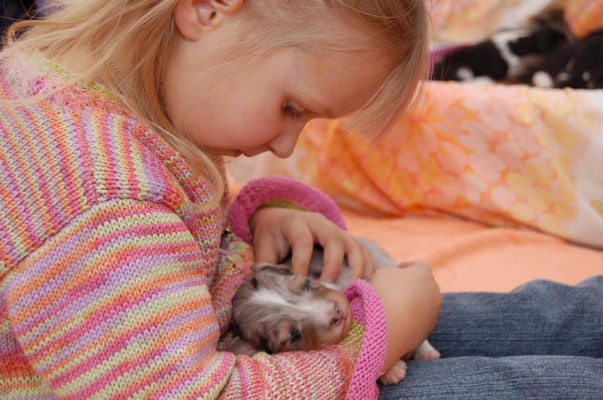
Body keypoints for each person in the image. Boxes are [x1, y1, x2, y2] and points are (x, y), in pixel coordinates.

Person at [0, 1, 441, 398]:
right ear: (206, 8)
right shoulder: (96, 197)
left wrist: (260, 220)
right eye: (292, 107)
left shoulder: (127, 109)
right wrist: (376, 342)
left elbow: (180, 244)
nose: (286, 146)